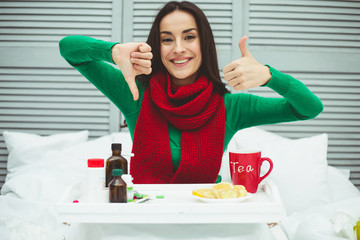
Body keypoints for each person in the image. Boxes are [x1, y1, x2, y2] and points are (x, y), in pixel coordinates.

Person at [59, 1, 323, 184]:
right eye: (166, 39)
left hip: (206, 218)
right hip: (146, 215)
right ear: (157, 46)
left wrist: (269, 76)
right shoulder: (134, 92)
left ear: (203, 43)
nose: (177, 48)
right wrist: (111, 51)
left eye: (189, 37)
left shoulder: (231, 107)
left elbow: (309, 108)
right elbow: (69, 48)